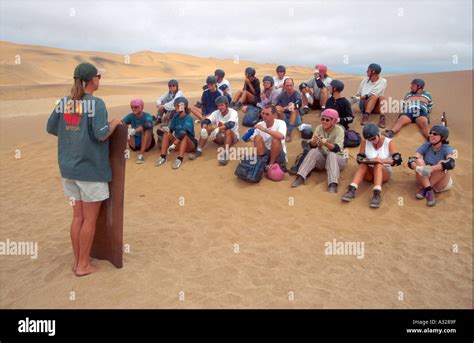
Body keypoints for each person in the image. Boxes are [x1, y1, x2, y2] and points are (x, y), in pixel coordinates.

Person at [47, 62, 121, 276]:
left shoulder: (64, 102)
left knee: (77, 218)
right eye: (98, 76)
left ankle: (78, 260)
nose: (100, 80)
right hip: (90, 170)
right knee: (88, 219)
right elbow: (101, 134)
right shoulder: (96, 104)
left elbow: (51, 128)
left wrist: (73, 133)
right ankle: (82, 265)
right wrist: (114, 123)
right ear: (91, 80)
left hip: (69, 169)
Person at [341, 123, 402, 208]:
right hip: (369, 172)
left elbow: (397, 160)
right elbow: (359, 158)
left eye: (373, 138)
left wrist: (380, 160)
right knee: (363, 164)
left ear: (378, 134)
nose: (371, 141)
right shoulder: (365, 142)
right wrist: (366, 160)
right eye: (369, 140)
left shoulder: (388, 142)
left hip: (384, 172)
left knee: (378, 164)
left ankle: (376, 193)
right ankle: (352, 189)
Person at [290, 109, 347, 192]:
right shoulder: (319, 128)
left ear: (334, 121)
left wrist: (325, 143)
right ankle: (300, 177)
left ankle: (333, 184)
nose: (324, 121)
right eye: (322, 119)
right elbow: (313, 146)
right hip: (323, 159)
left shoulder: (339, 130)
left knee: (332, 155)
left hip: (338, 159)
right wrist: (313, 143)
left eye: (327, 120)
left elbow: (336, 149)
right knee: (313, 151)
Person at [407, 125, 455, 206]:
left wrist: (429, 169)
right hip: (425, 177)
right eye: (430, 133)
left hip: (441, 183)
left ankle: (425, 189)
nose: (431, 135)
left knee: (443, 163)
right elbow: (411, 160)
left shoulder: (446, 148)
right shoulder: (426, 145)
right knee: (418, 161)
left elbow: (451, 163)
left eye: (435, 134)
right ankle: (428, 190)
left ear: (442, 137)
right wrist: (418, 168)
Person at [191, 96, 239, 165]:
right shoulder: (216, 113)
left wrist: (218, 129)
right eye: (218, 105)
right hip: (220, 136)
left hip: (232, 137)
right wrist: (204, 128)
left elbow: (231, 124)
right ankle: (199, 150)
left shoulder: (233, 112)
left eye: (222, 105)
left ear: (227, 105)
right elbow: (207, 120)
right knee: (208, 128)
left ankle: (226, 153)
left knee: (227, 130)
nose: (220, 107)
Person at [155, 97, 197, 169]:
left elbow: (184, 132)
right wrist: (167, 130)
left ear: (184, 106)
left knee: (184, 135)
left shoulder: (188, 118)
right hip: (178, 144)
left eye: (178, 105)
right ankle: (163, 157)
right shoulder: (175, 117)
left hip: (189, 145)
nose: (176, 107)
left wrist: (174, 144)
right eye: (175, 105)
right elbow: (171, 131)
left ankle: (179, 159)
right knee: (166, 134)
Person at [350, 63, 387, 128]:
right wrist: (349, 103)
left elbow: (375, 93)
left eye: (368, 70)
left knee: (381, 97)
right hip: (364, 104)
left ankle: (382, 118)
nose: (366, 71)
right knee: (374, 96)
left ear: (373, 72)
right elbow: (358, 94)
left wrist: (361, 97)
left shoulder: (383, 81)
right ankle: (366, 116)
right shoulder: (364, 81)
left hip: (375, 107)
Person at [122, 99, 155, 164]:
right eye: (132, 107)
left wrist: (134, 130)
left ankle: (141, 155)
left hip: (147, 143)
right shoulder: (130, 116)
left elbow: (150, 124)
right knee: (122, 128)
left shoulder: (148, 115)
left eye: (136, 107)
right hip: (135, 143)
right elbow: (122, 122)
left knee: (146, 129)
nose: (133, 109)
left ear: (141, 107)